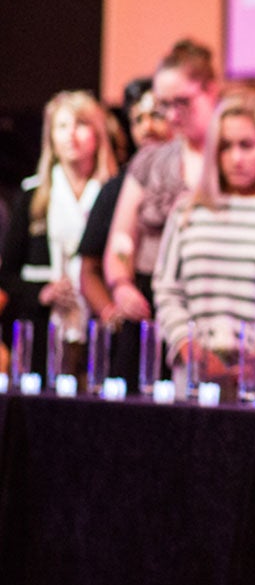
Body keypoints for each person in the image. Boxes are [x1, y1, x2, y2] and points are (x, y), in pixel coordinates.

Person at [153, 86, 255, 401]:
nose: (236, 158)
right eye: (225, 146)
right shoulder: (188, 210)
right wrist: (191, 349)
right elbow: (167, 289)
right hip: (194, 378)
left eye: (247, 145)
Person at [103, 40, 222, 333]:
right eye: (164, 104)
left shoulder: (234, 158)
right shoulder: (151, 161)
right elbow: (122, 238)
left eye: (182, 102)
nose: (171, 115)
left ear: (210, 90)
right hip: (149, 308)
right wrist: (121, 285)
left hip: (214, 311)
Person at [0, 90, 117, 378]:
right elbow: (7, 275)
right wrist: (43, 292)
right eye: (62, 126)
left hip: (99, 328)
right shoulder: (32, 194)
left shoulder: (115, 193)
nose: (70, 135)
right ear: (50, 135)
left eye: (81, 125)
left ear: (98, 134)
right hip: (44, 331)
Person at [78, 77, 173, 388]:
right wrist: (113, 309)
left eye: (156, 115)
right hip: (135, 323)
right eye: (137, 120)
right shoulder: (116, 188)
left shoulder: (198, 180)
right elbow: (89, 267)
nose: (147, 127)